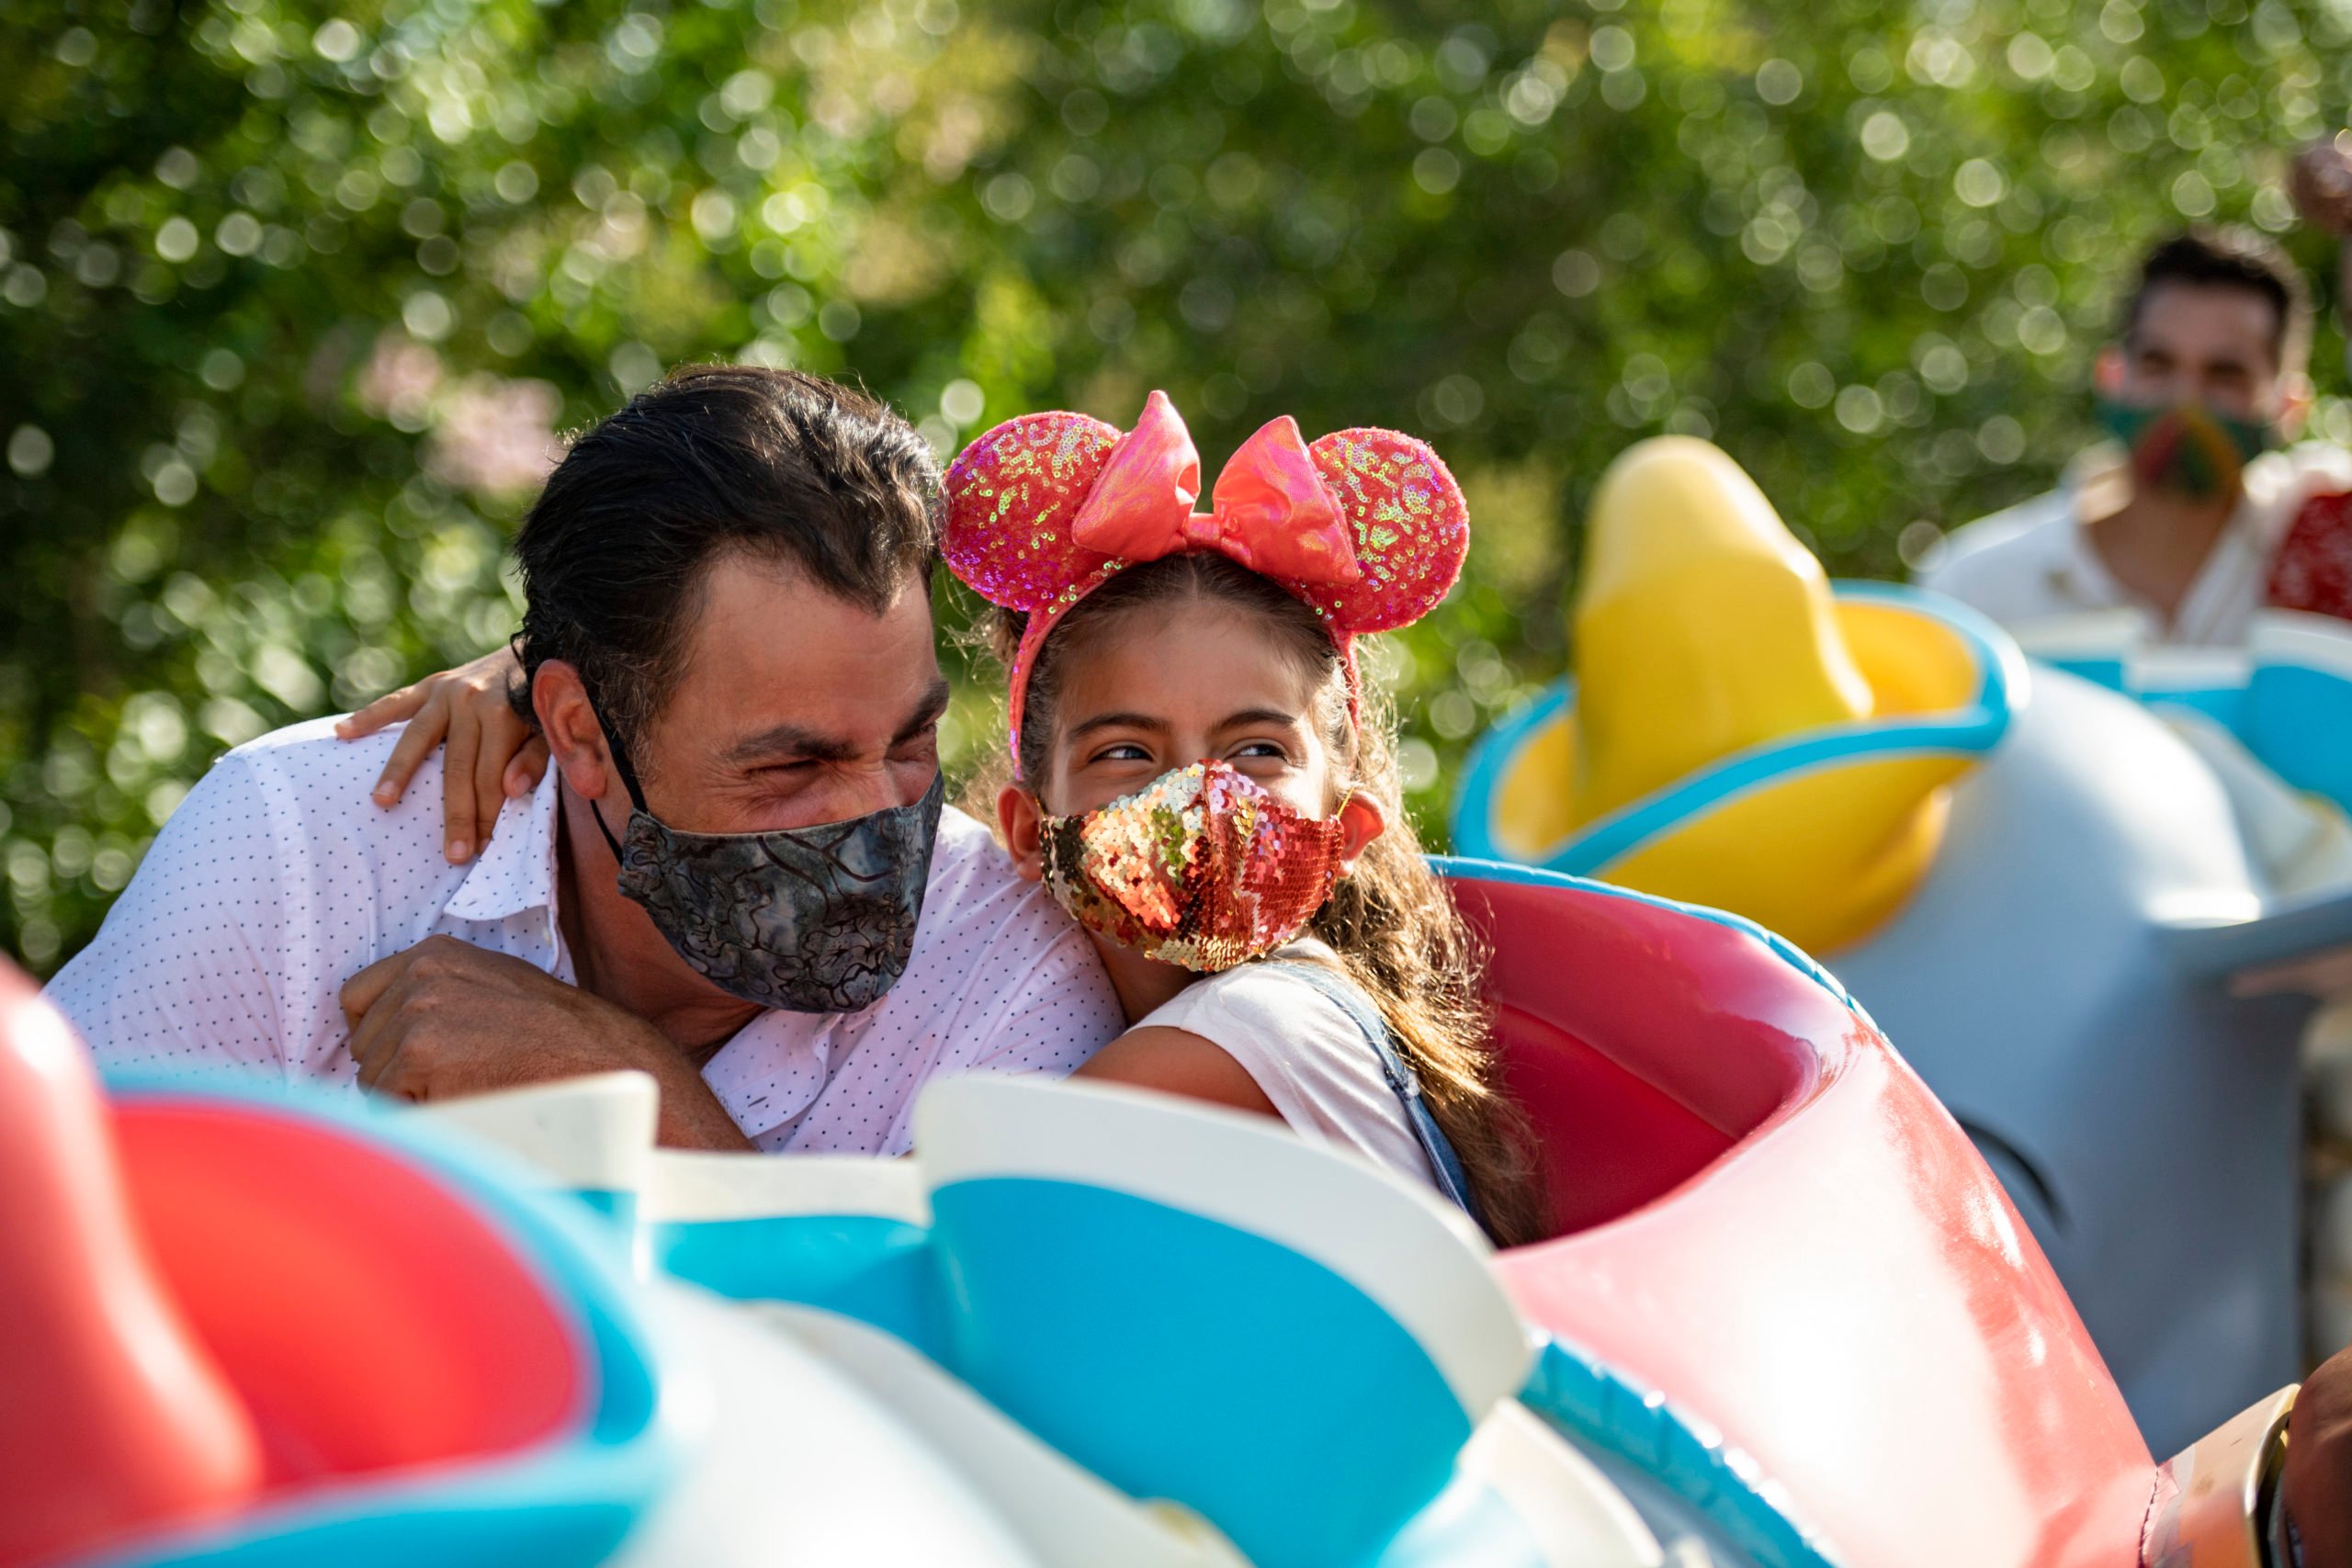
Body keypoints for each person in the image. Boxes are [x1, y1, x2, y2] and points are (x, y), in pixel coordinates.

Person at [46, 367, 1124, 1150]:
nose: (877, 820)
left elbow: (951, 1417)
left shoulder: (1008, 967)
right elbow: (50, 1253)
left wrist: (641, 1099)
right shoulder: (299, 853)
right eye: (786, 769)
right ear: (573, 730)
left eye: (909, 741)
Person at [940, 391, 1541, 1241]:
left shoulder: (1242, 1038)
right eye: (1126, 754)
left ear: (1348, 826)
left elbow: (864, 1225)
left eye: (1256, 750)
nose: (1199, 795)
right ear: (1034, 831)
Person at [1920, 225, 2352, 642]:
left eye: (2225, 375)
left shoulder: (2324, 549)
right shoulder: (1975, 593)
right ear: (2110, 376)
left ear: (2290, 406)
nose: (2185, 402)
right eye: (2157, 365)